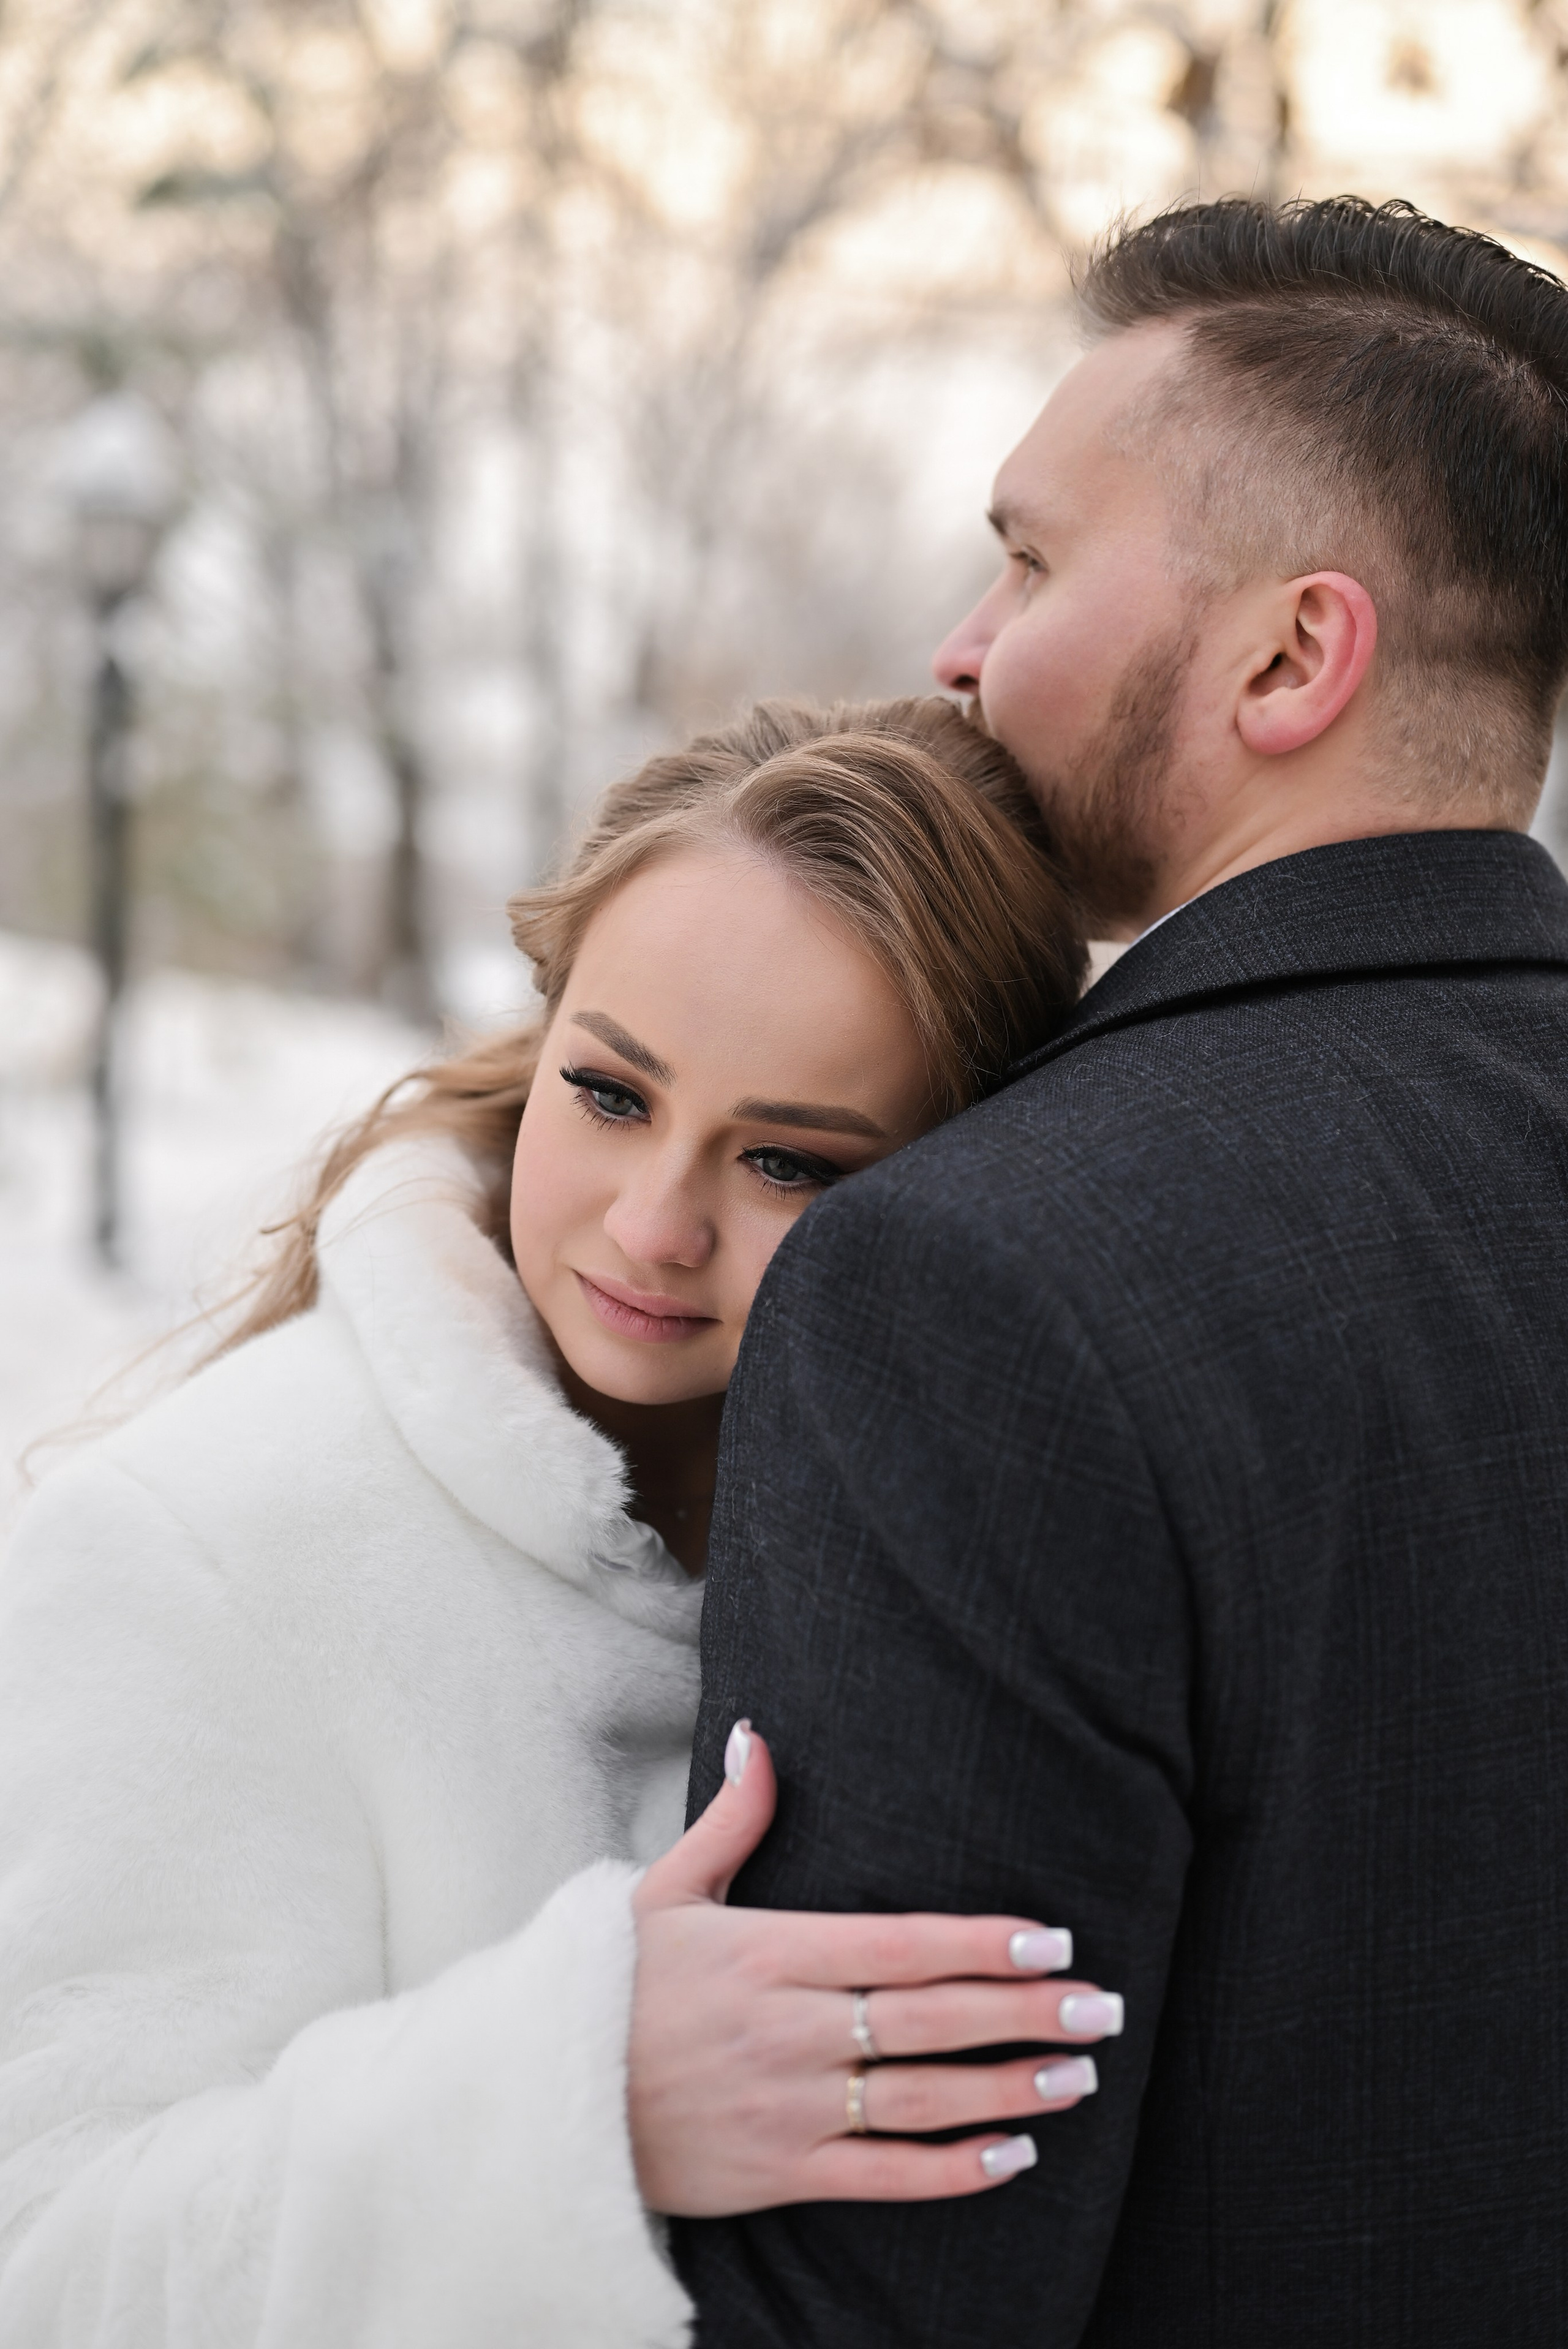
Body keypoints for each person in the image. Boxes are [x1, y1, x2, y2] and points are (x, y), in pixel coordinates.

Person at [676, 196, 1568, 2344]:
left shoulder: (971, 1288)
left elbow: (876, 2276)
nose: (962, 645)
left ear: (1291, 657)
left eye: (1032, 558)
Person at [0, 699, 1132, 2348]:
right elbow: (45, 2262)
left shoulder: (939, 1553)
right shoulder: (200, 1538)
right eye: (609, 1093)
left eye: (789, 1163)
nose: (657, 1224)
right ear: (542, 1034)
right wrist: (569, 2098)